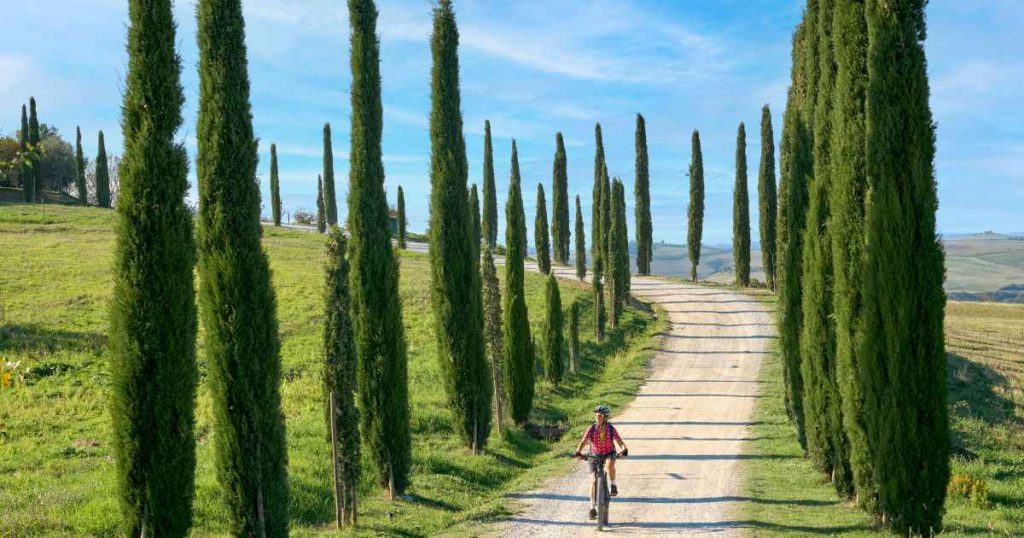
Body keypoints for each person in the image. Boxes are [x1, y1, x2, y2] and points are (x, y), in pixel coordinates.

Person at [574, 404, 628, 520]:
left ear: (605, 418)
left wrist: (624, 449)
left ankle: (613, 485)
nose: (597, 418)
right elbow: (583, 441)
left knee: (609, 467)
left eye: (600, 416)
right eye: (596, 416)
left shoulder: (610, 428)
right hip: (594, 455)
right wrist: (578, 451)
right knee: (593, 480)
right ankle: (592, 508)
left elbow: (619, 440)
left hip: (609, 453)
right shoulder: (592, 428)